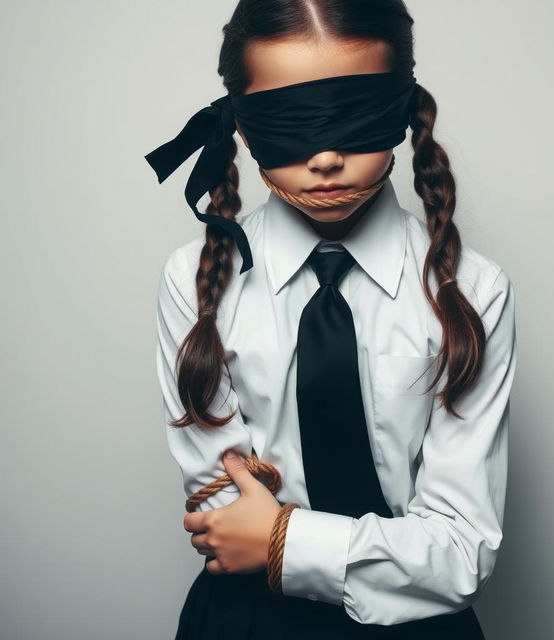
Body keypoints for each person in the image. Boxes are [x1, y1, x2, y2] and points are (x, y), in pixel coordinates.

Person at [149, 1, 517, 638]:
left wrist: (283, 538)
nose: (324, 156)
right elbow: (225, 518)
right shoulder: (194, 282)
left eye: (354, 115)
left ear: (402, 109)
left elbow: (462, 555)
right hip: (243, 620)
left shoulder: (474, 293)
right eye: (290, 122)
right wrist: (276, 537)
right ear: (240, 125)